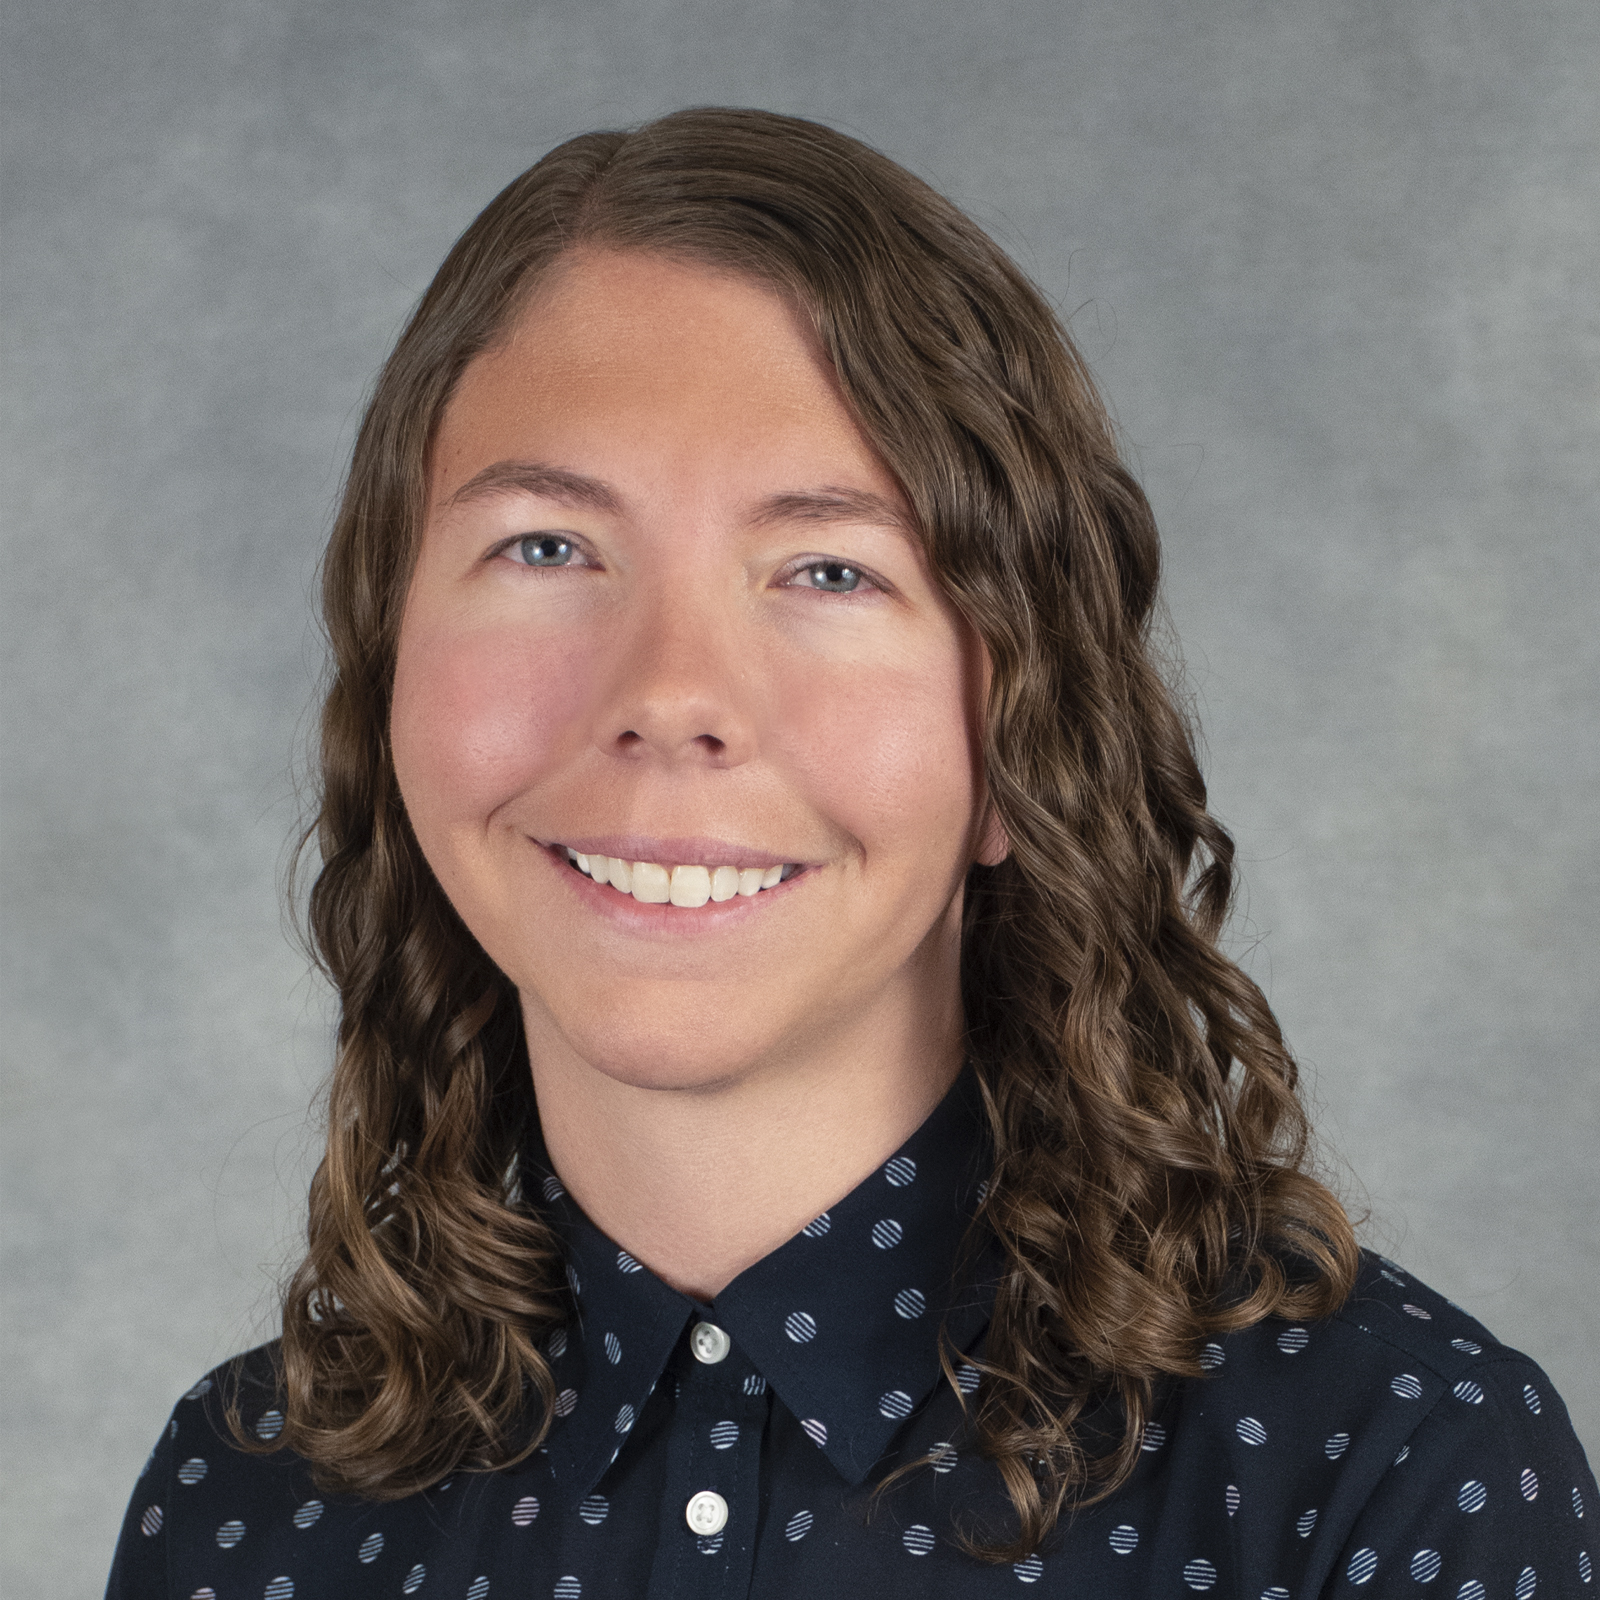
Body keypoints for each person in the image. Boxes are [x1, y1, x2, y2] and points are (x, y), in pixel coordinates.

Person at [106, 107, 1594, 1599]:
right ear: (386, 683)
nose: (670, 696)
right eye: (549, 549)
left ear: (1023, 737)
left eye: (829, 568)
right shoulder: (244, 1503)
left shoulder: (1392, 1484)